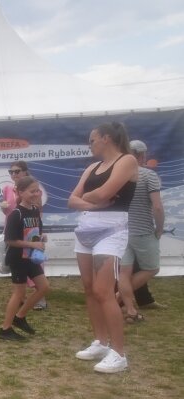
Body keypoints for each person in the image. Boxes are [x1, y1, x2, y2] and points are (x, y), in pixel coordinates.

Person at [68, 122, 138, 374]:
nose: (90, 144)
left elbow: (104, 192)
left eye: (92, 139)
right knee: (89, 288)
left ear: (106, 138)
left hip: (112, 229)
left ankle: (119, 354)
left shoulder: (127, 161)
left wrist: (88, 199)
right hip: (86, 227)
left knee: (103, 290)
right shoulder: (92, 167)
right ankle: (100, 342)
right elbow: (72, 199)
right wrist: (92, 201)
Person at [0, 176, 50, 340]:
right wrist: (32, 245)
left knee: (44, 287)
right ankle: (5, 329)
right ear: (20, 192)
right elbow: (10, 240)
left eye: (37, 191)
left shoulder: (34, 210)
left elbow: (35, 232)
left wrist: (41, 239)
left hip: (31, 257)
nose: (36, 194)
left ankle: (19, 318)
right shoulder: (16, 214)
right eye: (32, 191)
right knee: (19, 293)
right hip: (18, 258)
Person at [118, 139, 165, 321]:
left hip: (121, 231)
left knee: (124, 272)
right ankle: (116, 299)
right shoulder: (148, 175)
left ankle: (130, 310)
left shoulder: (119, 176)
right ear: (142, 155)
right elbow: (158, 207)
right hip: (143, 230)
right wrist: (159, 229)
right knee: (152, 268)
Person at [0, 161, 47, 311]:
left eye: (17, 171)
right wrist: (4, 208)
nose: (14, 174)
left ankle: (38, 299)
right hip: (13, 228)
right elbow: (9, 213)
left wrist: (38, 233)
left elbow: (37, 211)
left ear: (25, 172)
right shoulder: (7, 188)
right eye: (11, 172)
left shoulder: (33, 188)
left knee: (35, 263)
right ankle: (21, 303)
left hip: (29, 230)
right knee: (20, 269)